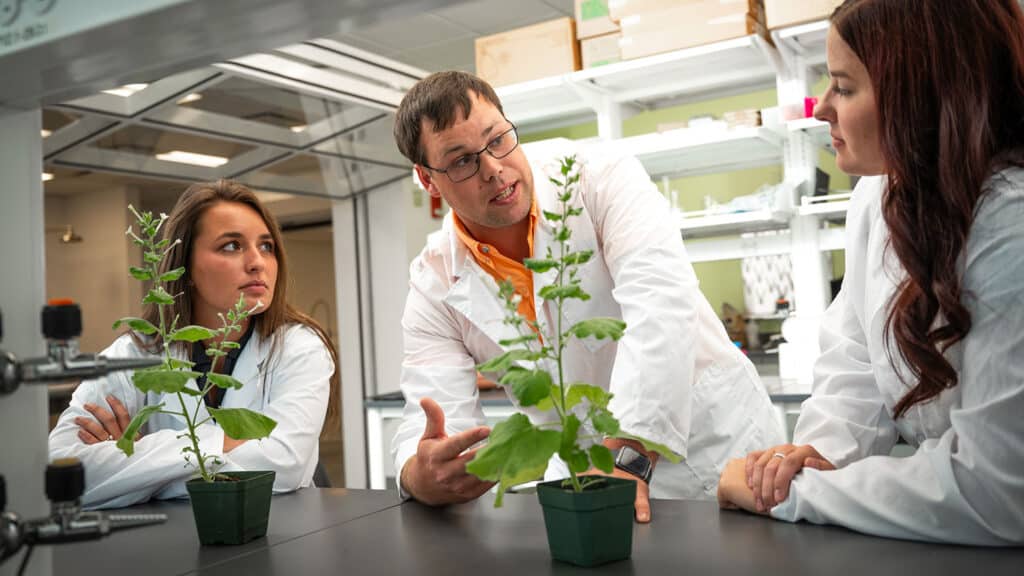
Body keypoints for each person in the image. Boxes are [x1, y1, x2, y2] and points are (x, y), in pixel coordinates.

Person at [391, 70, 785, 523]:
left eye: (498, 138)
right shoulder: (434, 279)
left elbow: (659, 307)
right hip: (582, 475)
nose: (493, 169)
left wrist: (629, 455)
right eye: (461, 161)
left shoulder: (596, 178)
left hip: (715, 449)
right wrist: (421, 475)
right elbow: (433, 418)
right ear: (427, 179)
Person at [717, 0, 1024, 545]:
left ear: (921, 96)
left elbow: (999, 492)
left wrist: (795, 497)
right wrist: (812, 459)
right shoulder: (877, 197)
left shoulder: (1010, 226)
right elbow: (855, 364)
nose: (821, 109)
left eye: (844, 87)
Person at [49, 180, 341, 509]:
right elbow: (62, 469)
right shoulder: (136, 354)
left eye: (266, 246)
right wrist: (225, 444)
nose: (257, 262)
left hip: (282, 536)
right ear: (184, 266)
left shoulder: (299, 347)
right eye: (231, 246)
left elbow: (285, 465)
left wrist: (137, 466)